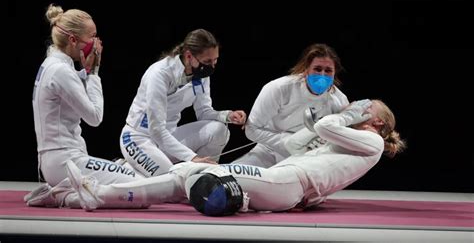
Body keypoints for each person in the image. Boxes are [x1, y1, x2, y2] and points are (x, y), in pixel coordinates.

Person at [65, 99, 405, 215]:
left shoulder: (371, 143)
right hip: (283, 182)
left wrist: (343, 115)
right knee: (187, 173)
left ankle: (100, 194)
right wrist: (313, 125)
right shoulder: (354, 139)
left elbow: (330, 126)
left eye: (365, 107)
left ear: (377, 121)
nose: (357, 107)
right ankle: (98, 195)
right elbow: (297, 146)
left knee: (194, 176)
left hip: (286, 182)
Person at [25, 4, 144, 208]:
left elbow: (71, 89)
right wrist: (94, 73)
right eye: (92, 36)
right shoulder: (61, 71)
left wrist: (86, 71)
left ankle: (62, 191)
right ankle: (61, 195)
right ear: (73, 40)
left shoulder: (52, 65)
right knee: (141, 190)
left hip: (56, 162)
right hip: (66, 162)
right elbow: (95, 117)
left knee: (136, 184)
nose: (96, 43)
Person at [118, 28, 246, 177]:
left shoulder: (201, 74)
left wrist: (228, 116)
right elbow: (156, 130)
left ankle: (203, 177)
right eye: (207, 61)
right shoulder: (159, 74)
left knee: (219, 130)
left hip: (168, 139)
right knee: (171, 181)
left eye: (215, 60)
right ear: (189, 56)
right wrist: (192, 158)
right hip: (139, 139)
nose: (212, 66)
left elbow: (204, 112)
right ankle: (127, 168)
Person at [232, 43, 349, 168]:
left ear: (334, 73)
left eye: (328, 70)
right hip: (270, 150)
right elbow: (251, 129)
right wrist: (289, 143)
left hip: (309, 157)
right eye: (317, 69)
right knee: (230, 177)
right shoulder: (279, 88)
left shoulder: (339, 101)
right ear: (306, 70)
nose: (322, 75)